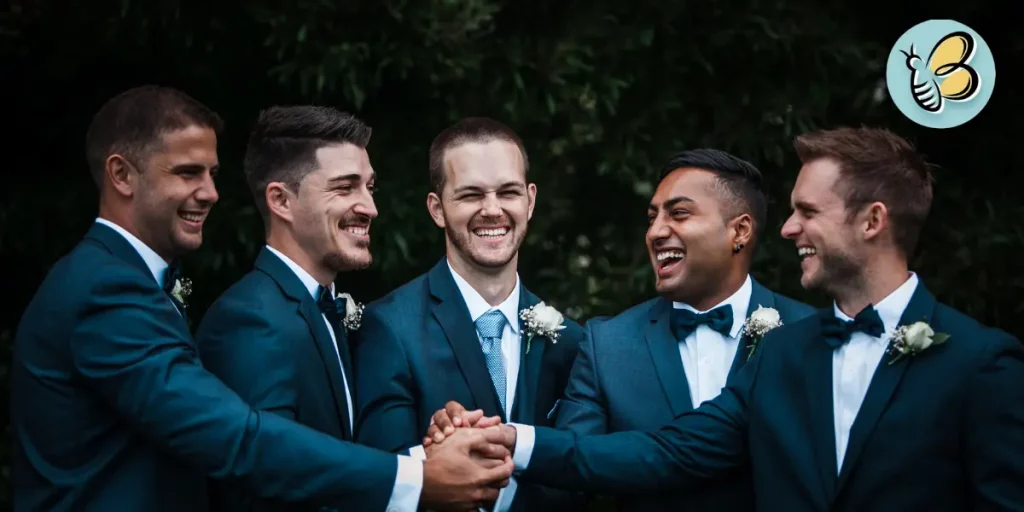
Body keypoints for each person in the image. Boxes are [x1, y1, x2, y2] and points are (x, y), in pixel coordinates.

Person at [435, 127, 1024, 510]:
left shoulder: (981, 363)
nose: (788, 229)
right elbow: (669, 453)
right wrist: (510, 438)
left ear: (872, 222)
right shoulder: (787, 354)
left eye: (807, 212)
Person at [10, 86, 513, 512]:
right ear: (122, 175)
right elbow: (244, 444)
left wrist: (433, 444)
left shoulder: (132, 283)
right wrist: (418, 479)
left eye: (211, 174)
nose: (211, 193)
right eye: (188, 172)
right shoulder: (113, 289)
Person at [544, 148, 814, 511]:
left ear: (740, 230)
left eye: (679, 214)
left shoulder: (807, 332)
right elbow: (566, 475)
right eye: (652, 217)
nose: (655, 232)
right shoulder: (607, 345)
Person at [351, 117, 585, 511]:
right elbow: (385, 476)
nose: (492, 210)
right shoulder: (389, 327)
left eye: (507, 192)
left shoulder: (570, 341)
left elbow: (582, 474)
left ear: (529, 201)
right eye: (471, 195)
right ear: (437, 208)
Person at [194, 105, 388, 510]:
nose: (369, 207)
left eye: (370, 187)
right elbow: (269, 485)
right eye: (345, 187)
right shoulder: (248, 320)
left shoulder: (330, 311)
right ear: (281, 200)